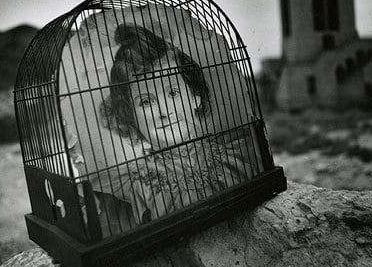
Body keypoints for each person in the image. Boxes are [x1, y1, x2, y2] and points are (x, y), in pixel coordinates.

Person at [99, 25, 258, 231]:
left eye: (173, 93)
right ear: (130, 116)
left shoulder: (239, 155)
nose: (165, 111)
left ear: (195, 96)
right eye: (146, 101)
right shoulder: (133, 189)